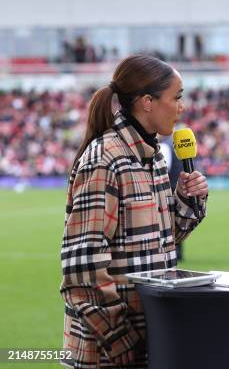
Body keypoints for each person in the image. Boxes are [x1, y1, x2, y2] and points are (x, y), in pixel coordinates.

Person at [60, 55, 208, 368]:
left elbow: (161, 240)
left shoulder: (151, 156)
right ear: (147, 103)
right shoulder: (106, 160)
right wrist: (119, 339)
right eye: (176, 98)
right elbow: (82, 267)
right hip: (107, 351)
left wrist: (185, 199)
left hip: (147, 337)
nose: (182, 107)